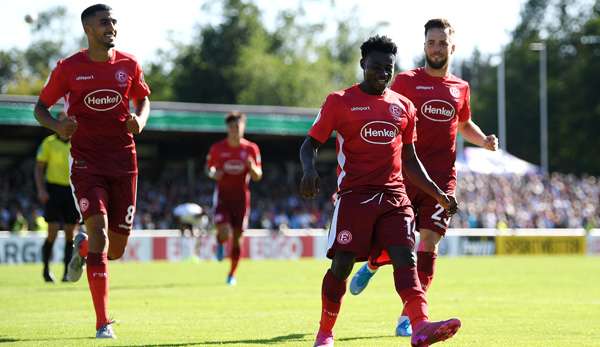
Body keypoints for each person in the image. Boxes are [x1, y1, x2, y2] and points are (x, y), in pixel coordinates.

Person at [300, 35, 461, 347]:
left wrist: (439, 193)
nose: (382, 73)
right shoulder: (339, 101)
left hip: (394, 198)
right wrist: (309, 170)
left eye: (388, 68)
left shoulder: (404, 107)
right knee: (342, 265)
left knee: (406, 259)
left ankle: (420, 326)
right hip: (354, 197)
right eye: (376, 67)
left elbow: (410, 160)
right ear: (363, 65)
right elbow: (310, 144)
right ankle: (325, 332)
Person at [349, 18, 499, 337]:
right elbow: (384, 112)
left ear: (452, 47)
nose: (436, 48)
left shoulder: (461, 88)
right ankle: (374, 264)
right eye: (431, 42)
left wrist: (484, 140)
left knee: (429, 240)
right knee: (397, 244)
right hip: (405, 175)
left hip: (442, 181)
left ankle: (409, 316)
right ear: (424, 46)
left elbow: (463, 123)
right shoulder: (404, 82)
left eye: (442, 43)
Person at [33, 4, 151, 339]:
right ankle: (102, 323)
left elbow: (143, 99)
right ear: (88, 29)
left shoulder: (129, 64)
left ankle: (82, 249)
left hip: (124, 162)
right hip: (86, 163)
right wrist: (58, 125)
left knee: (114, 250)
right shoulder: (68, 68)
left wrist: (139, 120)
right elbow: (40, 108)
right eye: (104, 23)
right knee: (99, 235)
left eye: (113, 22)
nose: (111, 27)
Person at [205, 111, 262, 286]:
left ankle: (232, 274)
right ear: (227, 129)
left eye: (237, 127)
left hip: (241, 199)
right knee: (224, 232)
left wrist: (252, 168)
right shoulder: (217, 148)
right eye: (231, 127)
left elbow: (258, 176)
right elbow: (208, 169)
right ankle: (220, 242)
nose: (234, 131)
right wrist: (214, 173)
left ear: (243, 127)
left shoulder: (251, 149)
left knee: (237, 240)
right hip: (223, 197)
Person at [34, 112, 80, 283]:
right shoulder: (49, 143)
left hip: (72, 190)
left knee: (70, 233)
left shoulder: (77, 143)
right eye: (62, 121)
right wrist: (41, 190)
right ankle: (46, 270)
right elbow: (39, 168)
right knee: (52, 231)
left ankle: (67, 272)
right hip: (53, 190)